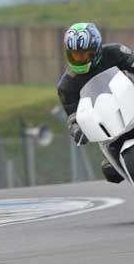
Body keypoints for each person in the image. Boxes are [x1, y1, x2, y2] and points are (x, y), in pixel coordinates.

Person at [57, 22, 134, 183]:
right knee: (110, 172)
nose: (80, 59)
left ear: (97, 48)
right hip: (109, 128)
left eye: (85, 54)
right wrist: (76, 129)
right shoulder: (67, 85)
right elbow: (72, 115)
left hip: (130, 104)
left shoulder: (116, 52)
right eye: (76, 55)